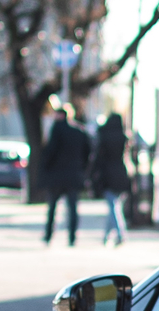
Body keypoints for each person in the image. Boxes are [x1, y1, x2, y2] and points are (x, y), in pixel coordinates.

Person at [39, 104, 91, 245]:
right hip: (74, 175)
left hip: (57, 175)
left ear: (61, 115)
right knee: (72, 208)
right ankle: (72, 237)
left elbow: (50, 151)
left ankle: (49, 235)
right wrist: (82, 169)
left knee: (52, 208)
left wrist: (45, 168)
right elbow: (88, 153)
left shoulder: (57, 129)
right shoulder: (80, 131)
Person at [94, 111, 131, 246]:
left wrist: (93, 174)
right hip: (122, 172)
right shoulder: (123, 137)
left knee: (113, 206)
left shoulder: (104, 136)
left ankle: (121, 234)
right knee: (114, 206)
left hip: (108, 174)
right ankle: (106, 236)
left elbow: (98, 157)